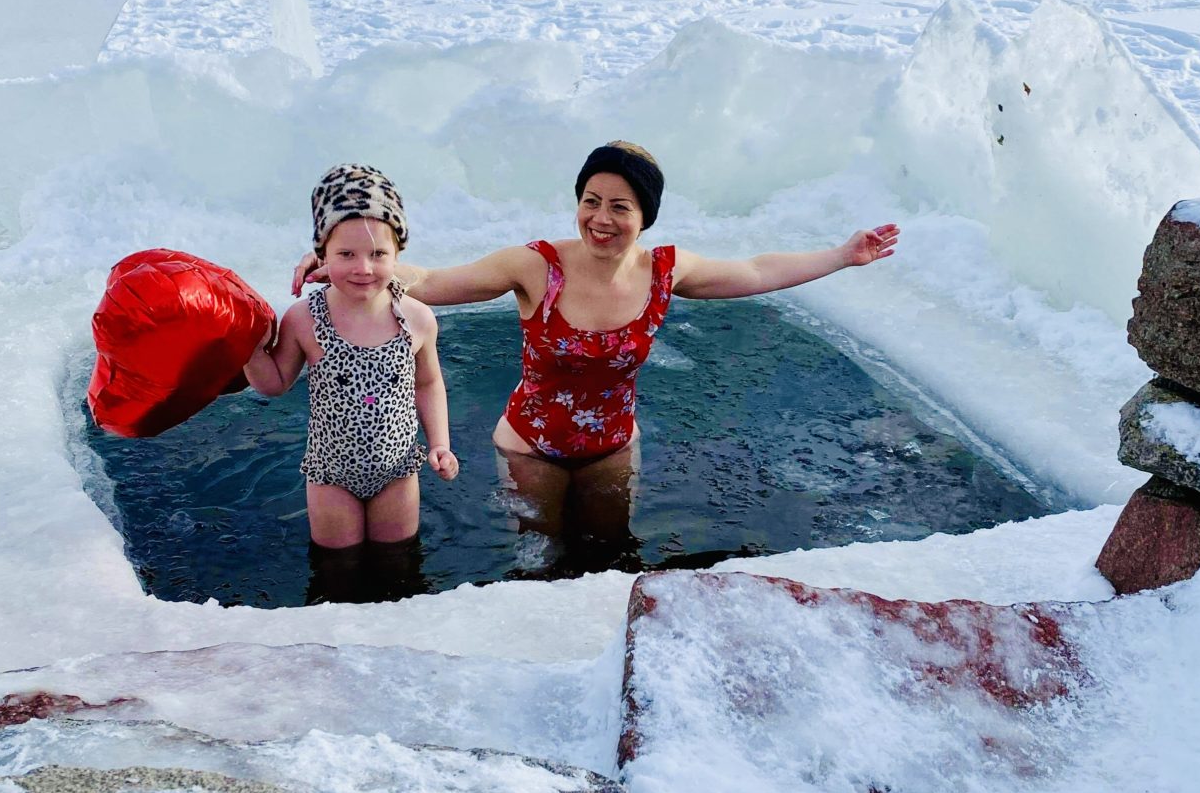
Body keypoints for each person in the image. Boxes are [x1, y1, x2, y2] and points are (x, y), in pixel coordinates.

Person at [291, 141, 898, 548]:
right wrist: (352, 267)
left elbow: (758, 271)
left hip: (612, 446)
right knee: (540, 566)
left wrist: (843, 256)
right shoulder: (537, 266)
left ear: (645, 215)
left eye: (620, 207)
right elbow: (433, 281)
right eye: (590, 202)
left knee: (610, 563)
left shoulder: (666, 270)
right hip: (532, 448)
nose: (601, 218)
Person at [245, 164, 460, 551]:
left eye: (378, 253)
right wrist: (250, 348)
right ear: (322, 256)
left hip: (397, 472)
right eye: (346, 254)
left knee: (398, 563)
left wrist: (439, 443)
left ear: (399, 253)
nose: (363, 268)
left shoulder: (417, 318)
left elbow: (428, 384)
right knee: (337, 566)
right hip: (331, 475)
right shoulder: (305, 319)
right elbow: (275, 383)